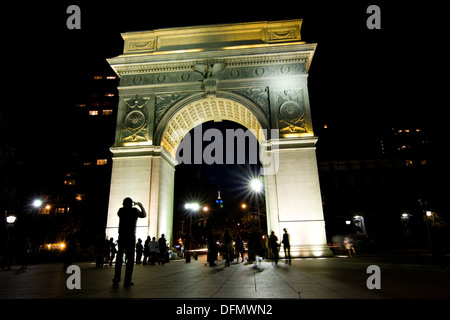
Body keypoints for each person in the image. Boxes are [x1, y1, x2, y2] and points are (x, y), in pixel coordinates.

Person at [112, 198, 146, 288]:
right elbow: (144, 215)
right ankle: (127, 280)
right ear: (131, 204)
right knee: (130, 259)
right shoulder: (134, 211)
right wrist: (140, 205)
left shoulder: (121, 211)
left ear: (123, 204)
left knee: (119, 257)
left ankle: (116, 279)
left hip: (121, 235)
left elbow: (120, 213)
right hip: (131, 236)